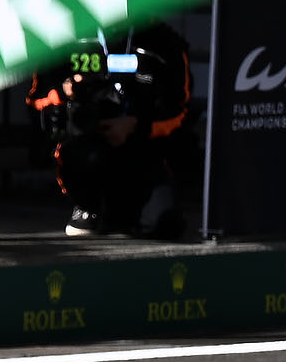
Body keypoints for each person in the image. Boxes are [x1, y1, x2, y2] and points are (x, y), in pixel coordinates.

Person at [26, 20, 191, 238]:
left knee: (165, 223)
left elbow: (181, 111)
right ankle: (88, 206)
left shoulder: (164, 41)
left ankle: (125, 213)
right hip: (86, 142)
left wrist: (135, 125)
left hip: (143, 147)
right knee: (78, 155)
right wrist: (65, 91)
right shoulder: (65, 34)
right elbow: (36, 99)